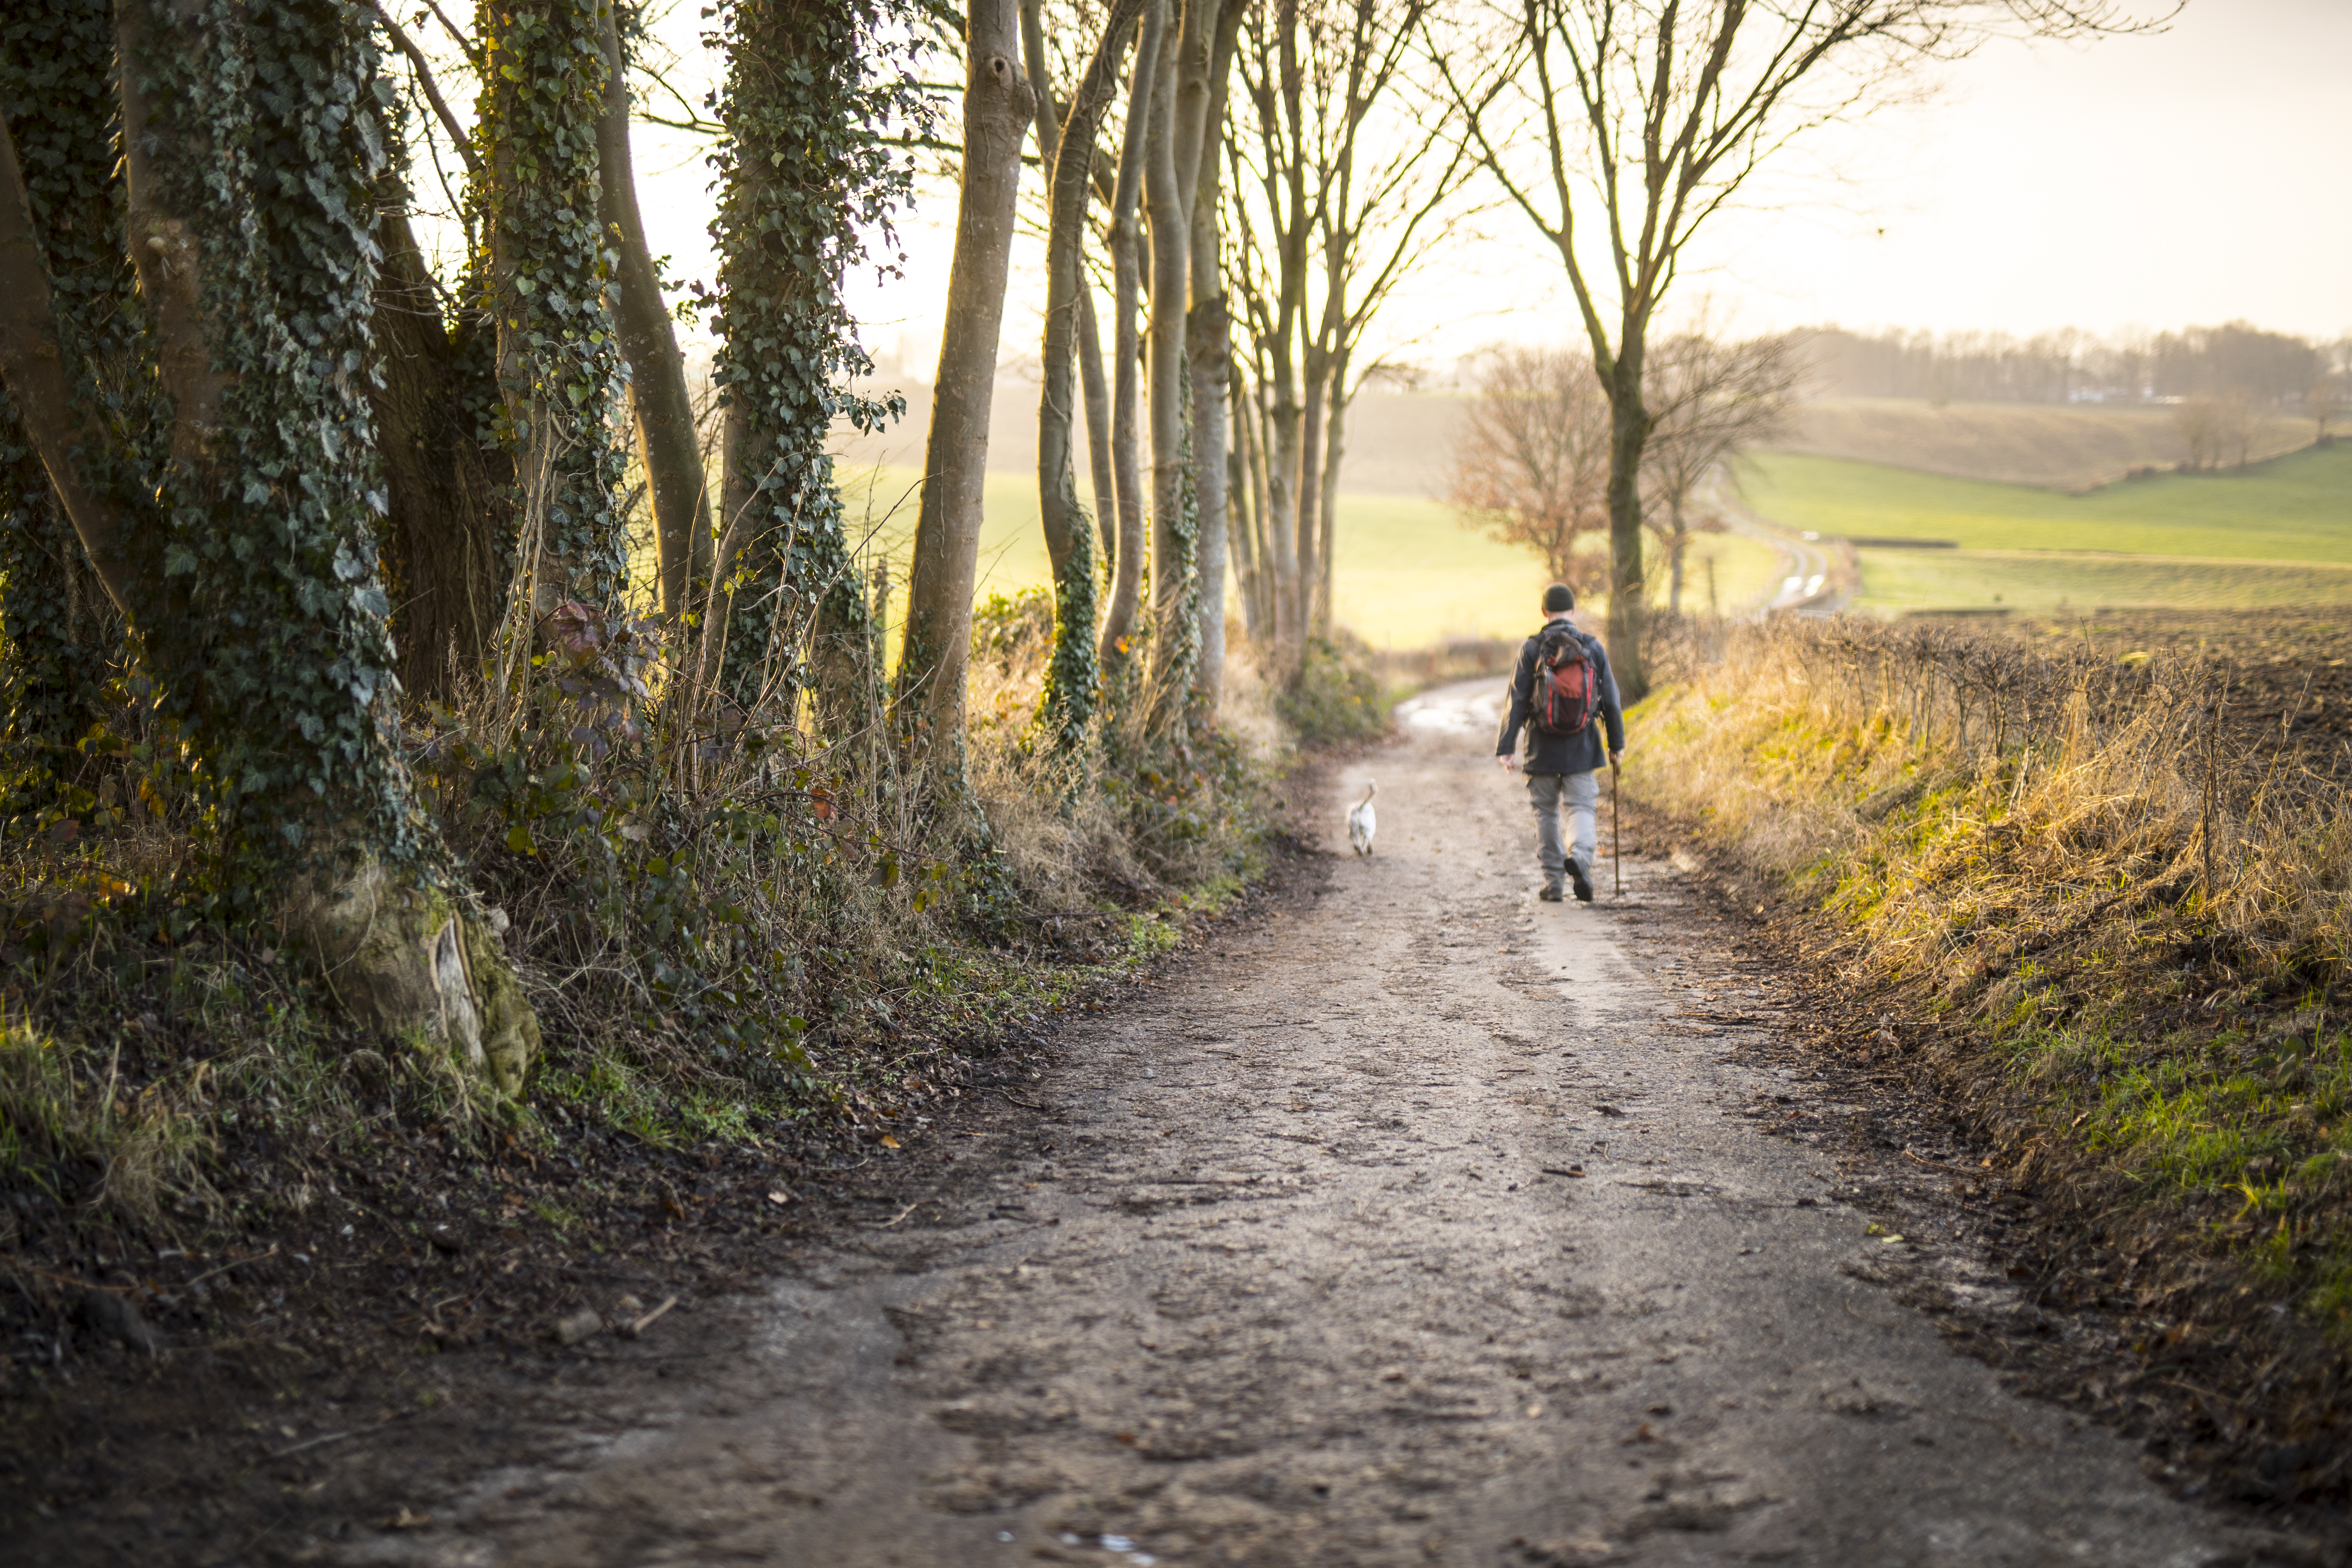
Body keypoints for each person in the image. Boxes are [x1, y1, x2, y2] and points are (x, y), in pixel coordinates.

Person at [1495, 584, 1625, 903]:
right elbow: (1611, 700)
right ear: (1574, 610)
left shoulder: (1532, 648)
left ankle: (1553, 884)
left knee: (1546, 813)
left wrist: (1507, 747)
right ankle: (1580, 856)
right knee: (1581, 807)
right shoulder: (1592, 647)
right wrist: (1616, 744)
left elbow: (1517, 699)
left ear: (1544, 612)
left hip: (1541, 749)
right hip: (1583, 747)